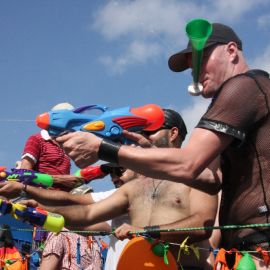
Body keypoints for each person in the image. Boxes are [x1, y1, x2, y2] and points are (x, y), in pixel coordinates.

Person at [55, 22, 270, 269]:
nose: (195, 71)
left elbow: (189, 163)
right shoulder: (236, 100)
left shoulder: (243, 86)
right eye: (191, 67)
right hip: (245, 250)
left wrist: (103, 148)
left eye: (202, 59)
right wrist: (154, 157)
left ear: (231, 51)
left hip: (262, 246)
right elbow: (210, 179)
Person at [37, 109, 220, 269]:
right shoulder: (136, 186)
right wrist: (31, 206)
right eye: (140, 132)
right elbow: (86, 214)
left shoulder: (198, 174)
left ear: (173, 133)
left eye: (150, 132)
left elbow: (202, 226)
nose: (142, 137)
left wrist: (145, 230)